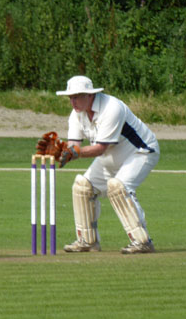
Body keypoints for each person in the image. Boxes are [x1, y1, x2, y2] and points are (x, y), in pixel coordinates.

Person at [53, 75, 159, 254]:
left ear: (89, 95)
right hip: (112, 155)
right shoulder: (76, 114)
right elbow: (74, 146)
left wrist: (74, 153)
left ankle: (143, 242)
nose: (73, 102)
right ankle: (88, 241)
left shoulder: (112, 108)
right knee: (82, 187)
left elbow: (100, 148)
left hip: (141, 152)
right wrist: (61, 151)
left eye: (77, 96)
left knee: (118, 187)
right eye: (70, 97)